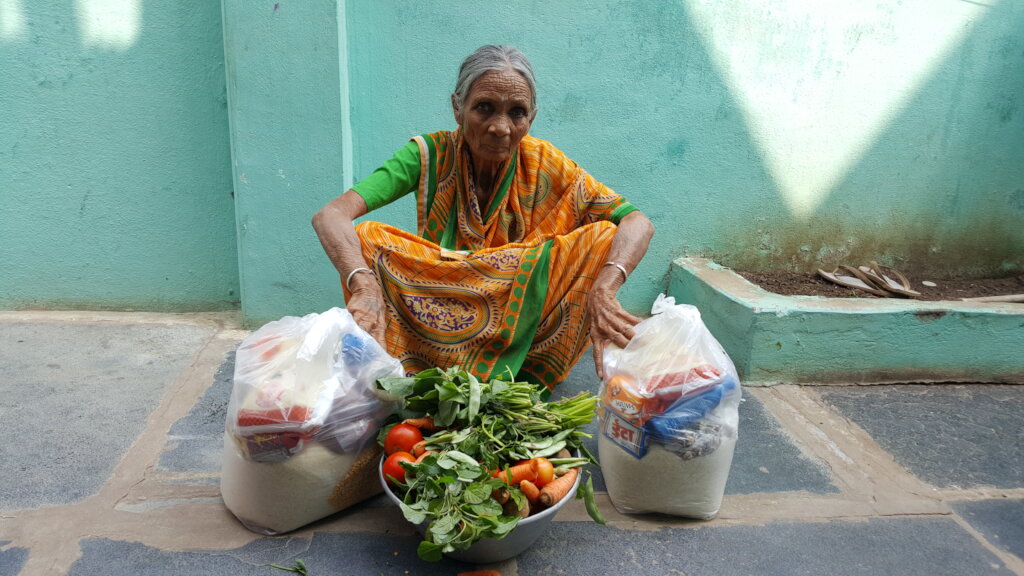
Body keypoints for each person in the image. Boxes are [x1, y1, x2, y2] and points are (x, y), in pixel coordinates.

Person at [313, 45, 653, 387]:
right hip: (439, 303)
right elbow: (331, 215)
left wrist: (605, 289)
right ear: (457, 108)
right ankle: (418, 364)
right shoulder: (428, 154)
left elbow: (637, 222)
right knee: (367, 238)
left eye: (516, 113)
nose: (500, 127)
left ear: (531, 119)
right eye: (484, 109)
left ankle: (521, 369)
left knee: (603, 239)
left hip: (518, 313)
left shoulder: (545, 163)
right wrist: (364, 283)